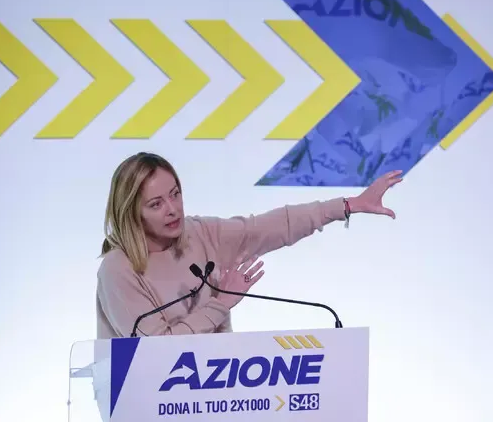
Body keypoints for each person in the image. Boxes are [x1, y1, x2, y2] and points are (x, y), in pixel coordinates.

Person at [91, 151, 402, 419]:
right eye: (156, 204)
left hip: (212, 401)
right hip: (146, 409)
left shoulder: (199, 234)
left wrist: (346, 205)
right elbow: (156, 353)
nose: (173, 209)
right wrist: (219, 305)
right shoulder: (118, 269)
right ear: (132, 212)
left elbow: (267, 227)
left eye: (175, 194)